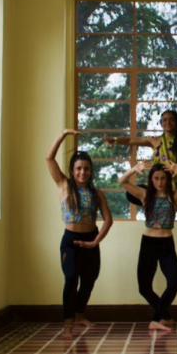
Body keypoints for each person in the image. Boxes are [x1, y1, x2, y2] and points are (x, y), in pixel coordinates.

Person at [119, 160, 177, 331]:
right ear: (151, 180)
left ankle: (155, 320)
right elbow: (122, 181)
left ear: (168, 179)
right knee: (144, 287)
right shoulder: (144, 195)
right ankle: (165, 317)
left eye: (163, 178)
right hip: (148, 243)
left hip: (166, 244)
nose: (159, 182)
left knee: (174, 283)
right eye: (156, 178)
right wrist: (134, 169)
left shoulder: (176, 196)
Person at [46, 129, 113, 338]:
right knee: (71, 278)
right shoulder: (64, 185)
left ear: (91, 170)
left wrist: (96, 241)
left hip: (91, 241)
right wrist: (64, 134)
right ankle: (68, 323)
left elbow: (108, 220)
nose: (82, 172)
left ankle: (79, 314)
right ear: (72, 170)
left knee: (89, 280)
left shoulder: (97, 193)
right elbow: (49, 157)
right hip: (70, 241)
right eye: (78, 168)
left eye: (86, 168)